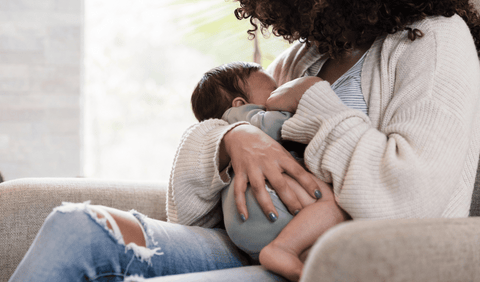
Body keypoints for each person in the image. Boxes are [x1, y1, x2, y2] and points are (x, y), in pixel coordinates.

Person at [9, 1, 480, 282]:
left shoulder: (435, 40)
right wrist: (233, 136)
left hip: (326, 262)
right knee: (78, 227)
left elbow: (413, 201)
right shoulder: (308, 54)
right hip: (248, 242)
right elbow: (189, 209)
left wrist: (316, 105)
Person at [190, 61, 350, 278]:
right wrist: (307, 93)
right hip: (262, 204)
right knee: (333, 204)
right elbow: (280, 124)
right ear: (240, 103)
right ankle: (282, 249)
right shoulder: (244, 118)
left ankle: (289, 258)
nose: (278, 97)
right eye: (273, 92)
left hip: (242, 223)